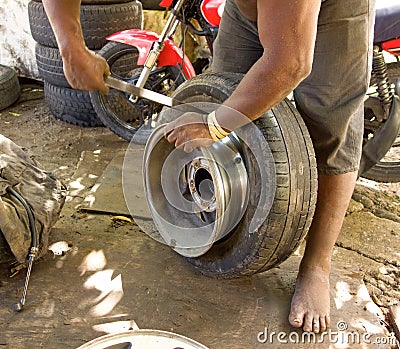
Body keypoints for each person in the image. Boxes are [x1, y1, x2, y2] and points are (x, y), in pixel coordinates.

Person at [43, 0, 376, 333]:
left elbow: (289, 64)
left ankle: (316, 266)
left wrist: (215, 125)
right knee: (224, 96)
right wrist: (71, 46)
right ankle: (219, 217)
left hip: (334, 9)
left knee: (329, 128)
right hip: (246, 7)